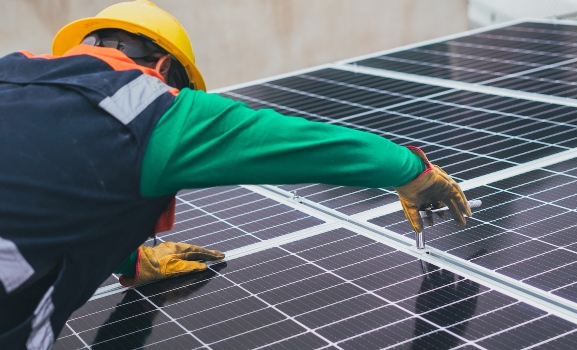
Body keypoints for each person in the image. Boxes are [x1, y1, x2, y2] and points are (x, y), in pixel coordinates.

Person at [0, 0, 471, 348]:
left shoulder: (9, 72)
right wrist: (413, 171)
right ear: (165, 68)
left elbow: (47, 187)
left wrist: (129, 261)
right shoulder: (153, 109)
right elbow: (299, 142)